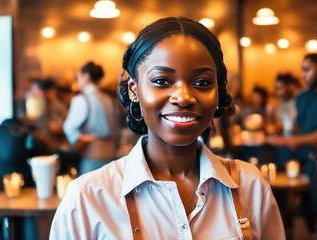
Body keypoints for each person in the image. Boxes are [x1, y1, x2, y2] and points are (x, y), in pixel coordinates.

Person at [50, 16, 284, 239]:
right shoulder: (88, 197)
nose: (183, 97)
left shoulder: (251, 186)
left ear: (218, 92)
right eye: (162, 81)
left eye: (202, 82)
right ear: (134, 89)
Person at [267, 53, 317, 237]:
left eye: (307, 69)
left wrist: (293, 140)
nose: (303, 75)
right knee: (309, 211)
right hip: (310, 161)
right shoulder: (304, 97)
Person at [63, 61, 122, 175]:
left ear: (86, 76)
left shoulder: (82, 99)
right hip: (112, 158)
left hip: (92, 158)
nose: (77, 80)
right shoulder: (110, 99)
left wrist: (81, 138)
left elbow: (69, 128)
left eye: (78, 77)